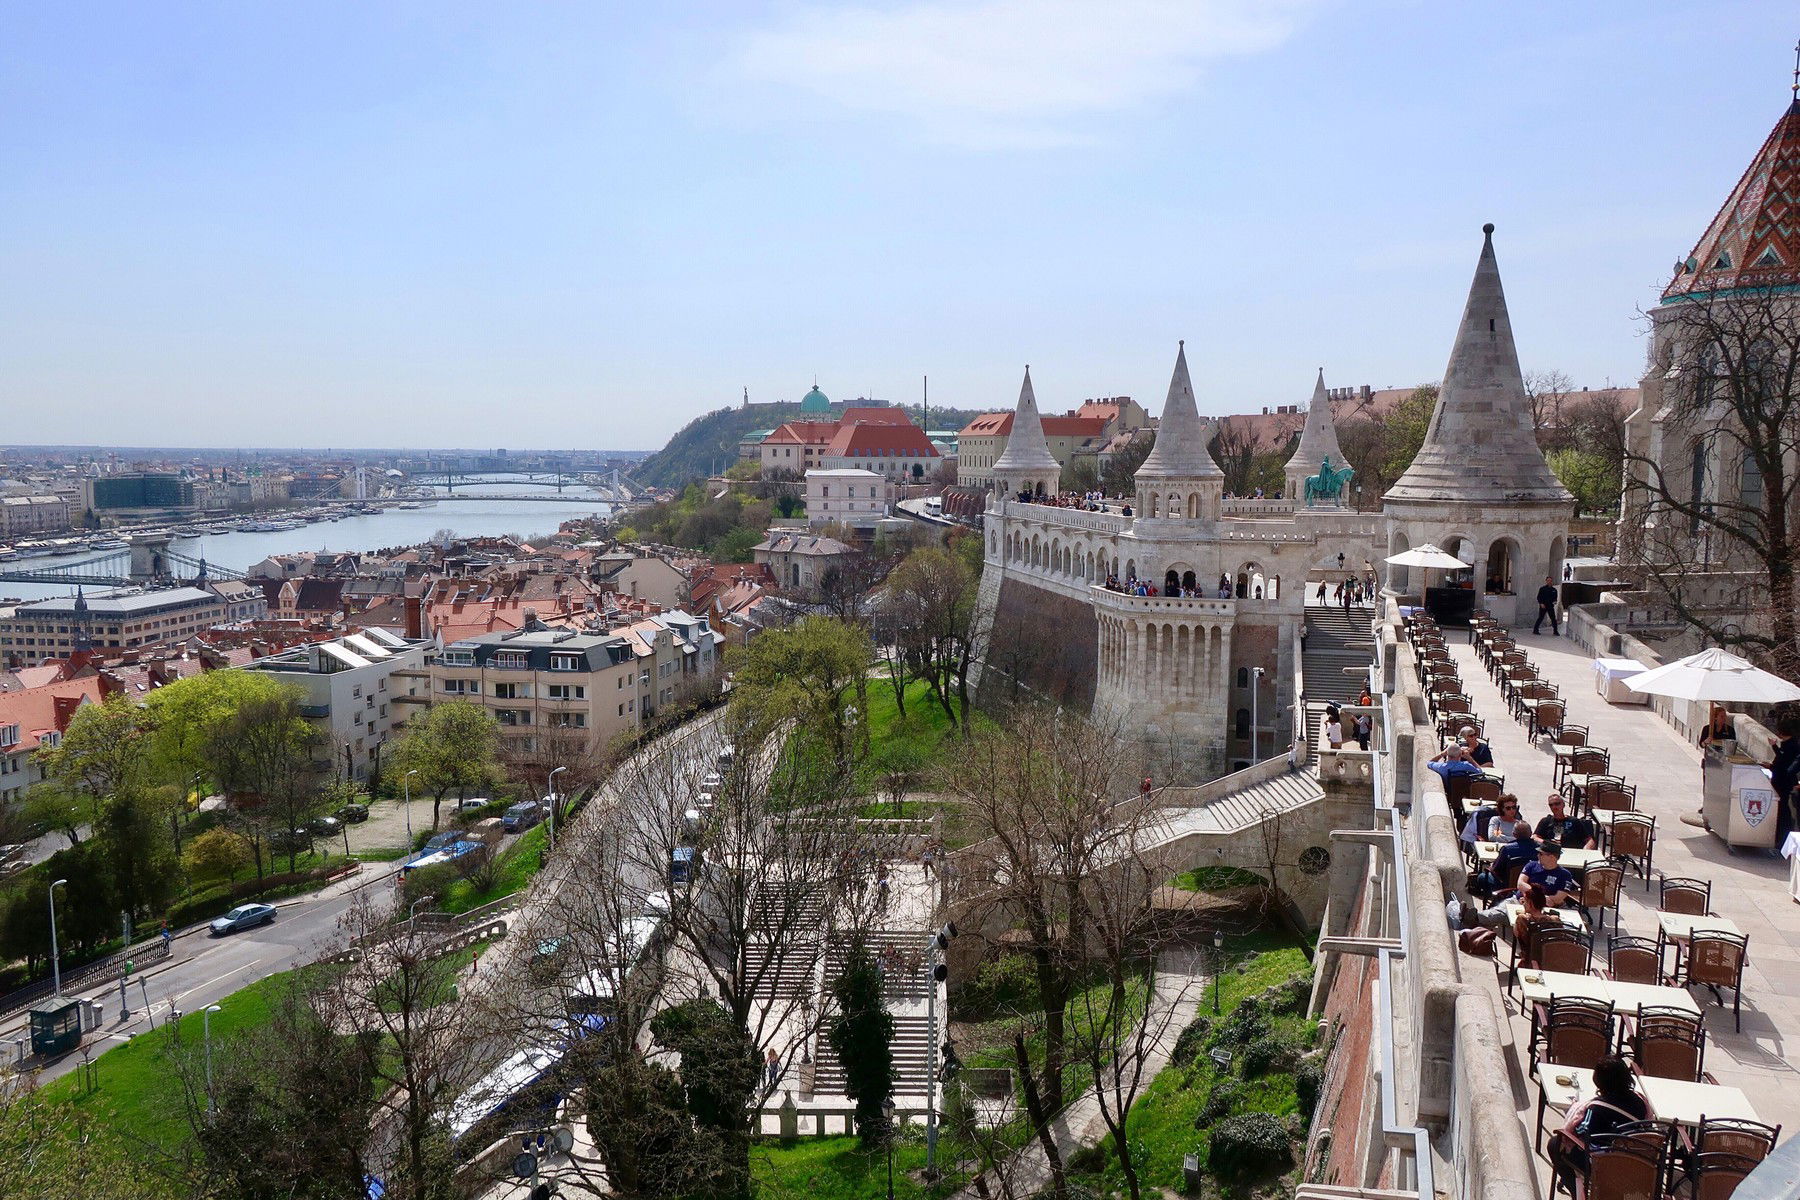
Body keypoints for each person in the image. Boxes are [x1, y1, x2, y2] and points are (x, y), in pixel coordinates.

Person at [1548, 1056, 1649, 1191]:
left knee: (1555, 1143)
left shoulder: (1595, 1109)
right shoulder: (1640, 1101)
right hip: (1636, 1162)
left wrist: (1574, 1111)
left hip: (1605, 1165)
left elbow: (1582, 1133)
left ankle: (1576, 1191)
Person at [1767, 717, 1800, 833]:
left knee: (1782, 809)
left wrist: (1770, 766)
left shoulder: (1791, 745)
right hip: (1781, 780)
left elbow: (1785, 765)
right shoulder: (1789, 744)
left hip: (1783, 782)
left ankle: (1782, 836)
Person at [1521, 841, 1578, 906]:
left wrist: (1535, 900)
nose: (1538, 855)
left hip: (1545, 906)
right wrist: (1535, 897)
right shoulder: (1531, 865)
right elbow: (1520, 883)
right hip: (1521, 900)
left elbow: (1558, 898)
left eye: (1541, 854)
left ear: (1552, 857)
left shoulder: (1565, 875)